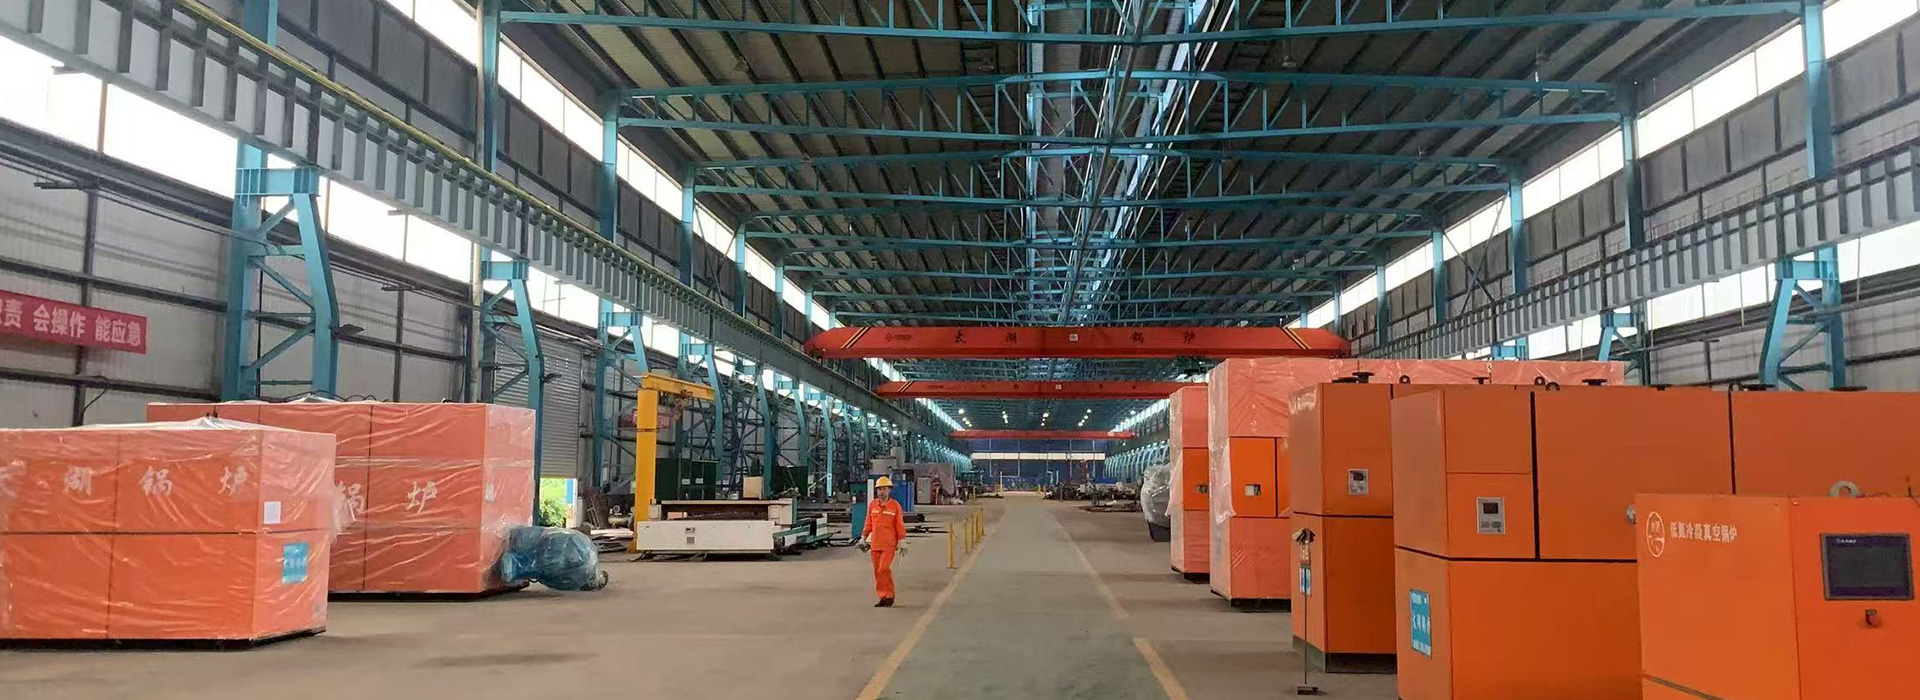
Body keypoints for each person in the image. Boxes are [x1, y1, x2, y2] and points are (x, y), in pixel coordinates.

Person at [857, 476, 908, 607]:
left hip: (889, 544)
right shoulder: (873, 505)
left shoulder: (895, 506)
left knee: (883, 569)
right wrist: (863, 537)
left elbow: (899, 524)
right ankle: (883, 596)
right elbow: (868, 522)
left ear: (889, 490)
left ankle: (889, 595)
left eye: (884, 489)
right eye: (879, 489)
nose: (881, 492)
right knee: (877, 571)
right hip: (875, 544)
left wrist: (902, 540)